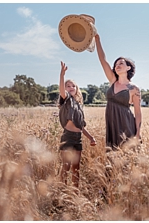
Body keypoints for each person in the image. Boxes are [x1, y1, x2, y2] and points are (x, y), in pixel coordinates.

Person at [93, 33, 142, 150]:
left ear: (128, 68)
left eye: (121, 63)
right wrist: (97, 40)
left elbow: (138, 113)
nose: (117, 65)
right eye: (116, 64)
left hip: (126, 124)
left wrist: (138, 133)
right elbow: (103, 60)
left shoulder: (134, 89)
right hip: (112, 123)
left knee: (127, 157)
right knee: (112, 156)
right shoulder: (113, 81)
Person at [57, 61, 97, 189]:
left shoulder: (79, 106)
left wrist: (90, 137)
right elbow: (62, 91)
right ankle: (63, 192)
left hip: (78, 138)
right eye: (68, 86)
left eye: (73, 86)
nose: (70, 88)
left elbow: (81, 126)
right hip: (68, 137)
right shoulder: (66, 100)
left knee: (76, 168)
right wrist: (62, 75)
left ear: (77, 88)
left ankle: (75, 193)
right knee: (66, 166)